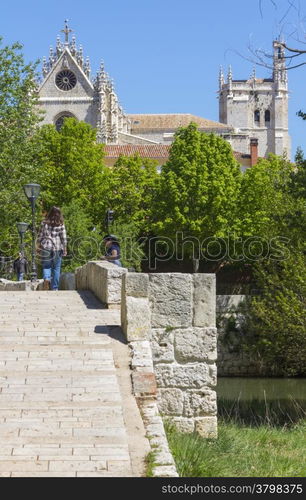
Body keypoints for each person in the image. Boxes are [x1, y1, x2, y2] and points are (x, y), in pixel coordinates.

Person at [37, 206, 67, 290]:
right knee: (56, 268)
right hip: (57, 247)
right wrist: (65, 248)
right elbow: (63, 238)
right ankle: (55, 288)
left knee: (46, 266)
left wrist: (38, 246)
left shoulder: (44, 222)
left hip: (46, 246)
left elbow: (40, 235)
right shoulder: (61, 224)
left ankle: (46, 278)